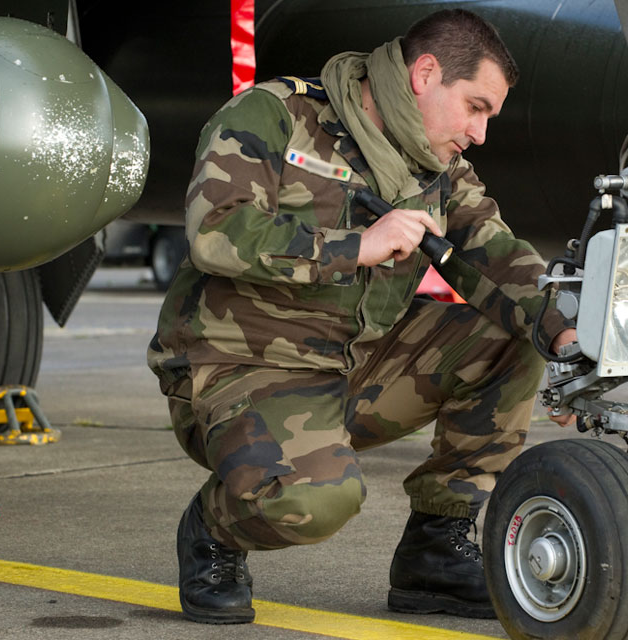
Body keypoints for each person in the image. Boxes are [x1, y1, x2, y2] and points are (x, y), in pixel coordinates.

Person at [147, 8, 576, 625]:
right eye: (475, 107)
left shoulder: (438, 167)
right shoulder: (275, 117)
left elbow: (495, 254)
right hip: (241, 367)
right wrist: (355, 247)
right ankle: (215, 531)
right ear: (425, 74)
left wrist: (564, 328)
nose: (480, 133)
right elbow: (214, 233)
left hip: (354, 362)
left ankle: (437, 550)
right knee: (317, 502)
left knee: (515, 336)